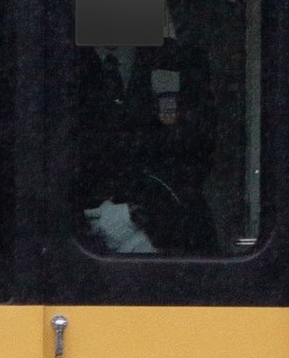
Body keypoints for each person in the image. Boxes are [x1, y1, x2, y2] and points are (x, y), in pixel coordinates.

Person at [76, 31, 218, 255]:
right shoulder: (54, 61)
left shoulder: (179, 60)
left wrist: (143, 214)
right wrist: (88, 220)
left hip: (173, 240)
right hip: (77, 248)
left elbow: (199, 150)